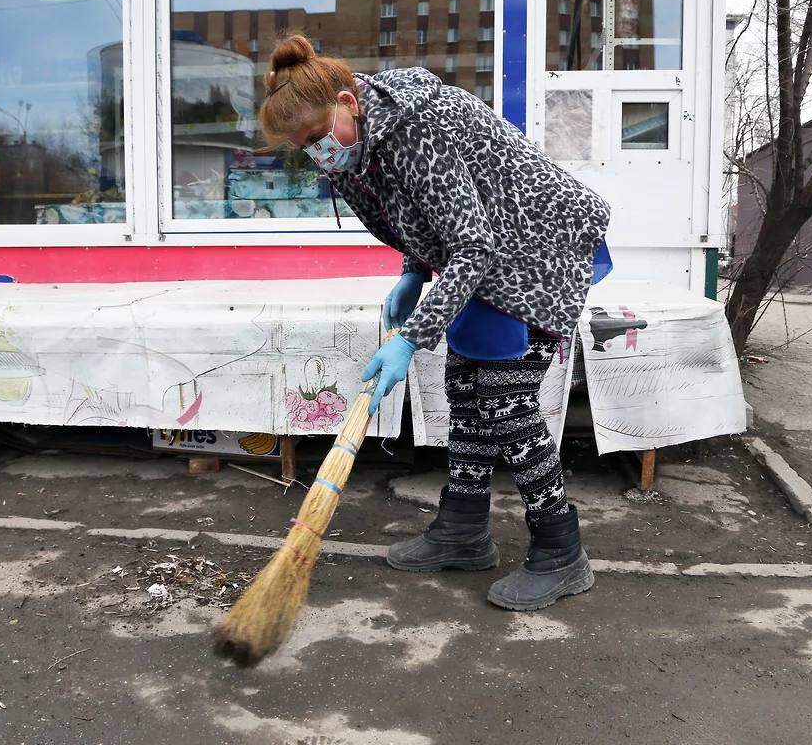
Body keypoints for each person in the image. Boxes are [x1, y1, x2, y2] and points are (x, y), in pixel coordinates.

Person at [258, 34, 612, 611]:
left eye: (319, 136)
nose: (317, 153)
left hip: (536, 248)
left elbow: (472, 245)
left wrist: (411, 339)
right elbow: (420, 213)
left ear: (349, 100)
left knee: (505, 400)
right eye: (304, 148)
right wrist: (411, 273)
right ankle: (463, 530)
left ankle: (560, 550)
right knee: (465, 385)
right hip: (481, 254)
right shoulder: (355, 147)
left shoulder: (419, 127)